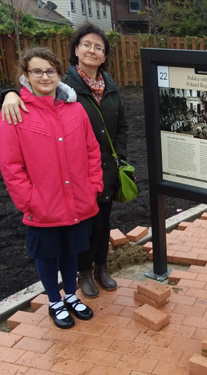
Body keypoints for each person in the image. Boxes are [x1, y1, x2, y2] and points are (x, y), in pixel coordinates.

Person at [1, 23, 129, 298]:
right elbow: (29, 98)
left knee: (101, 222)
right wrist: (7, 93)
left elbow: (121, 127)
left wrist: (116, 160)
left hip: (99, 172)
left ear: (105, 55)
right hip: (60, 185)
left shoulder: (110, 87)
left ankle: (101, 268)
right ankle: (83, 274)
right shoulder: (66, 87)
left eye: (99, 47)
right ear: (75, 50)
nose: (92, 50)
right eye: (86, 44)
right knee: (76, 234)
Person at [0, 47, 102, 329]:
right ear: (26, 75)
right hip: (43, 204)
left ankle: (70, 295)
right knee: (47, 255)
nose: (44, 77)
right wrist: (29, 200)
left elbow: (92, 150)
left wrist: (93, 185)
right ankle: (55, 301)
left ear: (59, 74)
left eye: (50, 71)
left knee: (71, 251)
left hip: (78, 200)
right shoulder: (15, 112)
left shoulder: (76, 109)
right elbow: (10, 165)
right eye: (37, 71)